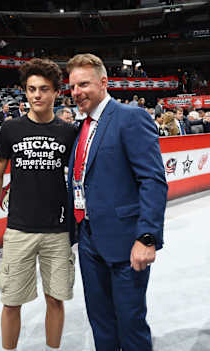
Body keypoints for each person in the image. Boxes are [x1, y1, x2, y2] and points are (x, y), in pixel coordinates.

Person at [66, 53, 167, 351]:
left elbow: (152, 180)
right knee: (100, 323)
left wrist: (147, 237)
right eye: (72, 87)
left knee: (130, 324)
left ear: (103, 83)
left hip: (126, 243)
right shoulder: (80, 128)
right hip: (89, 240)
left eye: (83, 84)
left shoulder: (130, 117)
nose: (77, 92)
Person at [0, 58, 78, 351]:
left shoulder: (69, 132)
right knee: (11, 302)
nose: (37, 95)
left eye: (44, 89)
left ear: (55, 93)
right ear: (25, 92)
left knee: (55, 299)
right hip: (19, 229)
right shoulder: (11, 129)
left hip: (58, 231)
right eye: (32, 89)